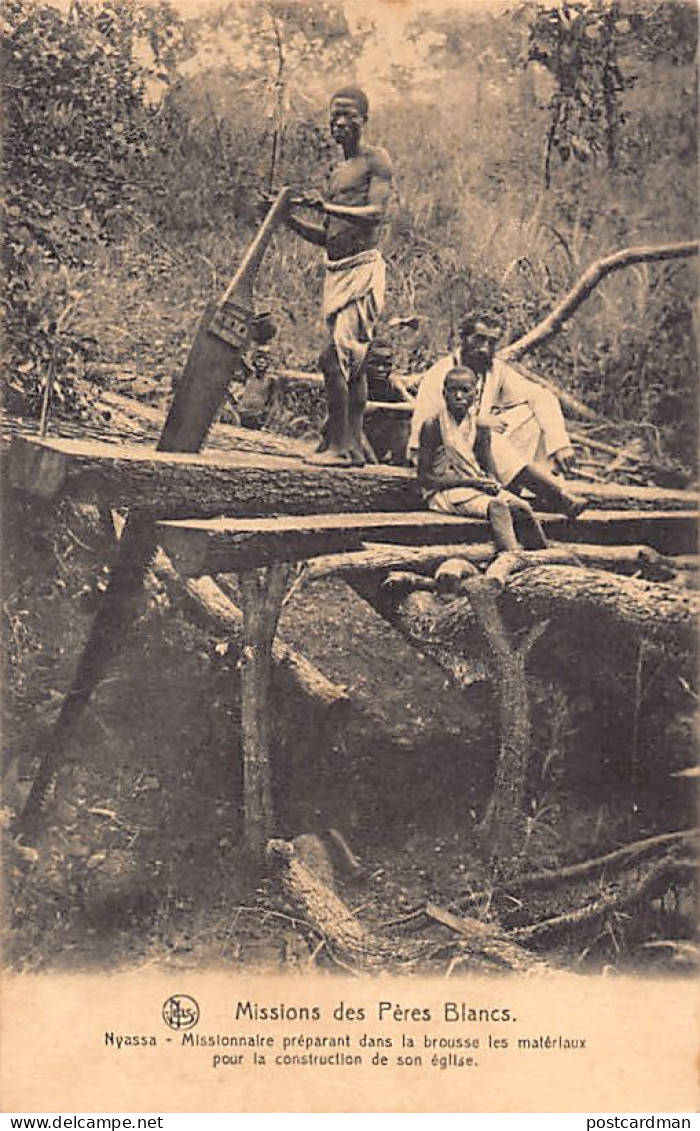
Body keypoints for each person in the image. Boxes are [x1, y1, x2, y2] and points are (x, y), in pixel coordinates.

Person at [281, 85, 394, 466]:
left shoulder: (376, 160)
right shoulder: (337, 171)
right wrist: (291, 220)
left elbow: (375, 213)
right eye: (335, 117)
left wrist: (325, 205)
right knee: (354, 363)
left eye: (349, 116)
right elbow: (328, 235)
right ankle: (351, 440)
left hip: (362, 271)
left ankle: (341, 449)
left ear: (365, 119)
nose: (341, 123)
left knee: (333, 359)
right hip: (337, 272)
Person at [409, 315, 582, 512]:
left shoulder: (494, 370)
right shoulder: (440, 374)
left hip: (481, 454)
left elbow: (540, 396)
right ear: (463, 338)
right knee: (490, 436)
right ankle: (555, 496)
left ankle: (528, 492)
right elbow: (427, 431)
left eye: (491, 342)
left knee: (531, 415)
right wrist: (478, 423)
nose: (484, 348)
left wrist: (560, 444)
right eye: (478, 339)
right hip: (444, 460)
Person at [418, 367, 584, 552]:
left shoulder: (480, 427)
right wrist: (475, 482)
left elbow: (488, 470)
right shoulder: (433, 426)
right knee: (498, 507)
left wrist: (491, 484)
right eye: (452, 390)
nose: (458, 396)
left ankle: (543, 556)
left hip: (475, 487)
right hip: (445, 492)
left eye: (465, 390)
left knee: (521, 506)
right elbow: (426, 478)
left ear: (476, 394)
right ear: (443, 393)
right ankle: (511, 558)